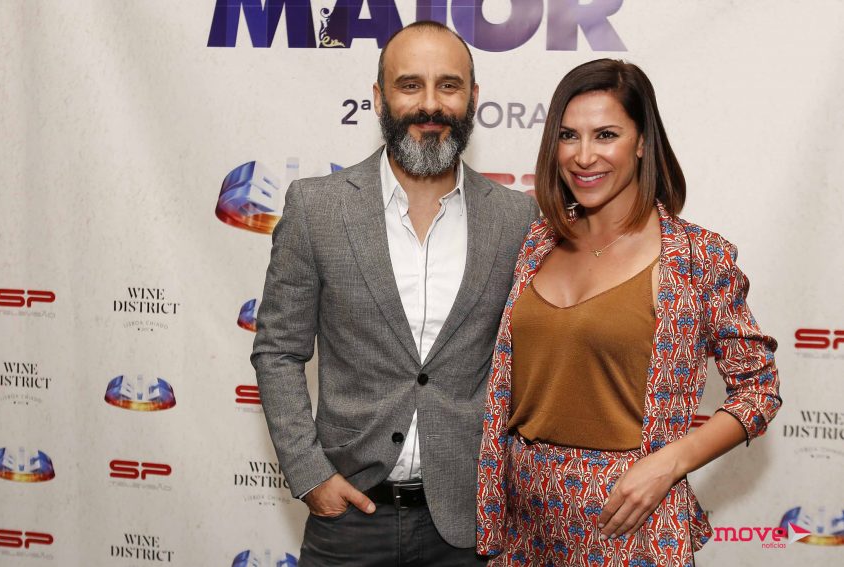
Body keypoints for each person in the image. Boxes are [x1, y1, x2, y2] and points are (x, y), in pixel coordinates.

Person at [251, 21, 539, 566]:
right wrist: (310, 475)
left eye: (448, 85)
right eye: (410, 85)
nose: (430, 104)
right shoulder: (317, 208)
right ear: (380, 98)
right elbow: (278, 351)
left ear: (473, 98)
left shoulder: (517, 218)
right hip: (349, 520)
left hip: (468, 525)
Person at [476, 59, 782, 566]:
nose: (583, 155)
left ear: (641, 142)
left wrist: (670, 463)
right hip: (525, 524)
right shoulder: (538, 242)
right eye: (569, 136)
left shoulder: (695, 257)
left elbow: (760, 389)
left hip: (626, 520)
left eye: (606, 135)